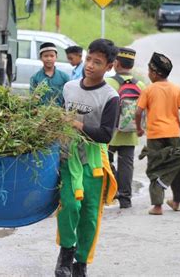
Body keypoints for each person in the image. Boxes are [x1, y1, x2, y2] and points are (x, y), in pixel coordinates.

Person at [55, 39, 119, 277]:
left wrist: (76, 123)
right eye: (89, 59)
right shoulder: (69, 88)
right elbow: (58, 118)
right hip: (68, 156)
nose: (90, 66)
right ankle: (66, 253)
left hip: (94, 162)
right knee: (69, 206)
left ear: (109, 67)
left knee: (90, 215)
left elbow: (105, 135)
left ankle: (81, 263)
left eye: (98, 62)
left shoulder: (110, 97)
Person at [135, 52, 180, 216]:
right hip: (173, 134)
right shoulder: (177, 89)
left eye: (149, 71)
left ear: (154, 73)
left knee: (156, 167)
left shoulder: (148, 90)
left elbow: (138, 112)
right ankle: (177, 201)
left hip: (154, 136)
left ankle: (157, 206)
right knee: (175, 165)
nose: (148, 74)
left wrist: (139, 129)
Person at [105, 48, 146, 208]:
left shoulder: (109, 83)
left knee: (106, 162)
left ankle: (111, 191)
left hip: (110, 132)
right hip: (131, 132)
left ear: (116, 63)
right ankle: (125, 199)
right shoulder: (141, 85)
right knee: (127, 165)